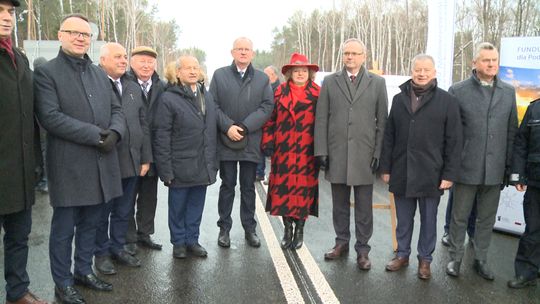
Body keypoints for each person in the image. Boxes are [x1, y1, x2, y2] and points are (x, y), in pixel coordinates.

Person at [34, 14, 125, 304]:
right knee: (64, 230)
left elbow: (117, 110)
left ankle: (83, 271)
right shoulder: (47, 73)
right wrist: (97, 135)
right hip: (70, 166)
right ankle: (63, 282)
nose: (80, 38)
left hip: (102, 165)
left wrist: (115, 133)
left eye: (85, 34)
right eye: (73, 32)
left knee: (92, 224)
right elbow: (50, 117)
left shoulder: (99, 73)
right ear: (60, 35)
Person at [380, 54, 462, 279]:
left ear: (434, 72)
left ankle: (425, 260)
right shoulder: (399, 99)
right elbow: (389, 135)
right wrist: (386, 168)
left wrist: (449, 174)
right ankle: (402, 254)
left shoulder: (447, 101)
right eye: (418, 69)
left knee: (428, 221)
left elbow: (454, 141)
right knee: (404, 220)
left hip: (431, 173)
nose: (422, 73)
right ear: (412, 71)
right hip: (402, 171)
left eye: (427, 70)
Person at [446, 42, 518, 280]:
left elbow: (511, 132)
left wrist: (509, 168)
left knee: (486, 218)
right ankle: (455, 258)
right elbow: (450, 133)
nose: (491, 64)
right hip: (466, 167)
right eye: (486, 60)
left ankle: (481, 258)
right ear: (474, 63)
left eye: (494, 60)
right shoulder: (458, 90)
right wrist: (450, 166)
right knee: (459, 215)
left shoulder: (508, 92)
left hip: (495, 169)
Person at [314, 38, 388, 270]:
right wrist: (321, 151)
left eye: (355, 54)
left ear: (363, 56)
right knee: (339, 204)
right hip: (337, 153)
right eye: (346, 53)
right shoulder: (330, 81)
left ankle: (363, 250)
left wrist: (379, 152)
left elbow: (383, 122)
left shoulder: (377, 83)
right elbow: (321, 118)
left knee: (364, 206)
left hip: (365, 155)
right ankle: (341, 242)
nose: (350, 57)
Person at [0, 1, 48, 303]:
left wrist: (36, 164)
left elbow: (31, 115)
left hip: (19, 170)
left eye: (10, 12)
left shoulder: (18, 57)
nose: (6, 18)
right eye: (0, 11)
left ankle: (17, 292)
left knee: (19, 237)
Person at [210, 37, 274, 248]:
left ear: (252, 54)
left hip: (250, 141)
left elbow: (266, 107)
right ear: (232, 52)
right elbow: (213, 105)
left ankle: (250, 229)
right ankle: (224, 229)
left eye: (247, 49)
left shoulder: (262, 79)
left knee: (248, 187)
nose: (243, 52)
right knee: (227, 185)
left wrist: (245, 127)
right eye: (240, 49)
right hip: (226, 140)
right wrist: (228, 127)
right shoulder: (220, 76)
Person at [94, 42, 151, 275]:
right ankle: (101, 253)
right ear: (103, 59)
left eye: (124, 56)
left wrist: (145, 158)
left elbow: (143, 124)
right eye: (117, 56)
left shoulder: (132, 86)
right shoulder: (95, 84)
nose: (122, 60)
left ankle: (118, 247)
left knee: (123, 210)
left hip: (132, 160)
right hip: (106, 161)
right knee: (101, 213)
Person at [153, 55, 218, 259]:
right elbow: (162, 135)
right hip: (179, 165)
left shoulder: (205, 95)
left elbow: (212, 123)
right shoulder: (168, 98)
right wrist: (166, 169)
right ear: (178, 72)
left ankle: (192, 240)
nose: (192, 71)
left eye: (196, 68)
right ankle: (178, 242)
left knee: (196, 206)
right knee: (178, 207)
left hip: (202, 163)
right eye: (187, 68)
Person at [261, 53, 320, 250]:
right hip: (284, 150)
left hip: (307, 151)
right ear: (290, 73)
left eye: (304, 70)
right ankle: (287, 229)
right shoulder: (279, 92)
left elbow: (324, 124)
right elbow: (270, 120)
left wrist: (322, 151)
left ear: (309, 73)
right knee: (284, 193)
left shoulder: (318, 93)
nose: (300, 74)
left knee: (302, 193)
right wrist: (268, 141)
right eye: (297, 71)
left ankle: (300, 229)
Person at [124, 46, 166, 253]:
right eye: (142, 61)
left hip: (154, 150)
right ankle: (128, 238)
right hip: (130, 148)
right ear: (132, 62)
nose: (146, 65)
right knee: (128, 196)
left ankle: (144, 234)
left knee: (149, 196)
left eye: (150, 62)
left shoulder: (162, 86)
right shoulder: (124, 84)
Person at [507, 97, 540, 289]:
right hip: (536, 181)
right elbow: (521, 143)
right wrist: (517, 176)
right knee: (533, 228)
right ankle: (526, 272)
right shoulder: (534, 109)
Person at [256, 65, 281, 182]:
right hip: (264, 123)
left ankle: (271, 176)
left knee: (274, 154)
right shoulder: (265, 87)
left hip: (275, 126)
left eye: (266, 74)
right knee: (262, 148)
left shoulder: (278, 89)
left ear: (274, 75)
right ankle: (260, 172)